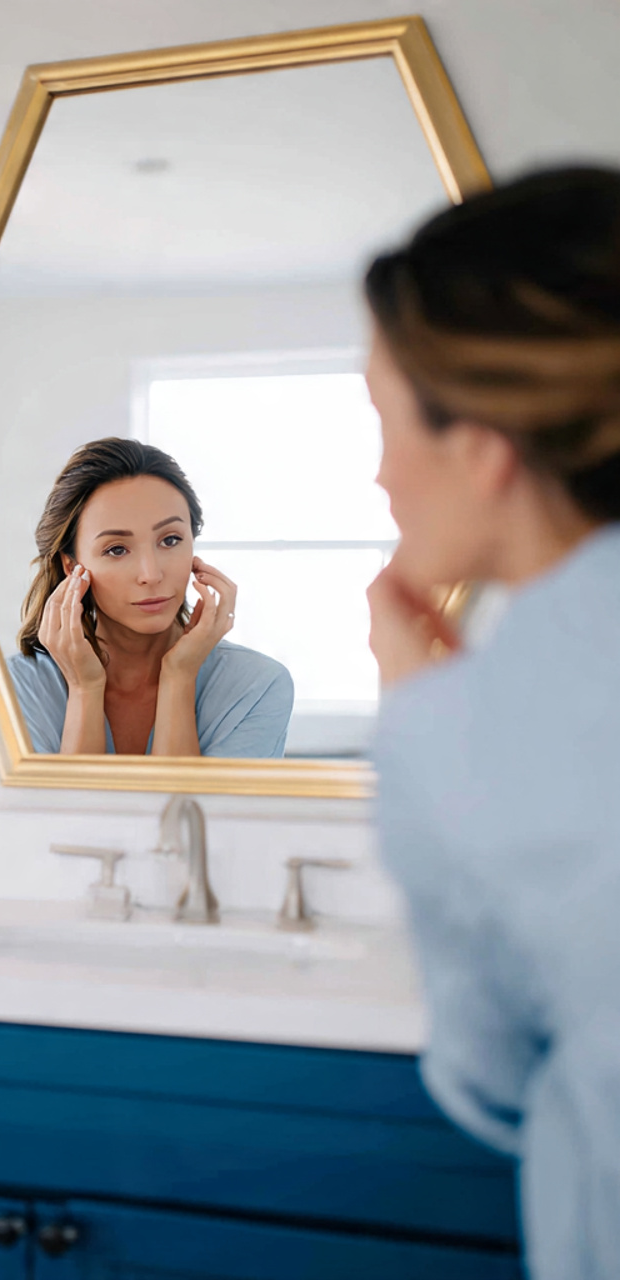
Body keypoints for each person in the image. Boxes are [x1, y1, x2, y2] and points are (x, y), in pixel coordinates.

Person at [364, 167, 620, 1280]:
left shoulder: (458, 727)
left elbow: (490, 1073)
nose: (377, 473)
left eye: (382, 421)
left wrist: (430, 709)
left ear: (479, 445)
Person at [8, 437, 292, 756]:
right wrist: (84, 690)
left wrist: (179, 677)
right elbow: (72, 807)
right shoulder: (11, 689)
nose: (151, 574)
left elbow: (184, 806)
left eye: (170, 540)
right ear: (72, 566)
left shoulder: (257, 685)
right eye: (116, 549)